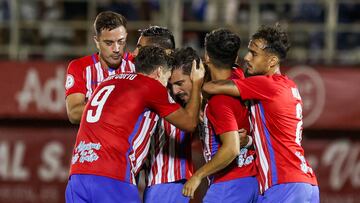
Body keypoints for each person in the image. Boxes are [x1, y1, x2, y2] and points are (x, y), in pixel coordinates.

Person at [65, 46, 205, 203]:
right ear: (159, 72)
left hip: (77, 175)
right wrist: (198, 83)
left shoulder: (108, 81)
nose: (167, 87)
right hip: (112, 176)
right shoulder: (152, 86)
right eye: (167, 78)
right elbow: (190, 123)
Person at [203, 25, 319, 202]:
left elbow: (212, 86)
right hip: (305, 183)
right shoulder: (289, 85)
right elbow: (273, 134)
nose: (247, 58)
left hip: (283, 184)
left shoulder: (266, 85)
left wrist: (199, 80)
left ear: (272, 61)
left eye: (254, 53)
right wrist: (248, 140)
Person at [182, 28, 258, 202]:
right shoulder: (238, 76)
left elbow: (231, 148)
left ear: (207, 57)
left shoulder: (219, 102)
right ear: (236, 59)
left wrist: (198, 176)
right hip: (252, 180)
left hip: (230, 184)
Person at [143, 47, 200, 203]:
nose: (175, 90)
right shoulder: (161, 96)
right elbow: (190, 124)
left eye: (180, 83)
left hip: (173, 184)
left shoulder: (196, 103)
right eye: (172, 84)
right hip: (164, 181)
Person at [65, 11, 135, 124]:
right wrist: (116, 107)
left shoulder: (137, 63)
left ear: (126, 37)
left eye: (121, 42)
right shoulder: (80, 67)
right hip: (93, 141)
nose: (116, 49)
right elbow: (74, 114)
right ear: (97, 41)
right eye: (109, 43)